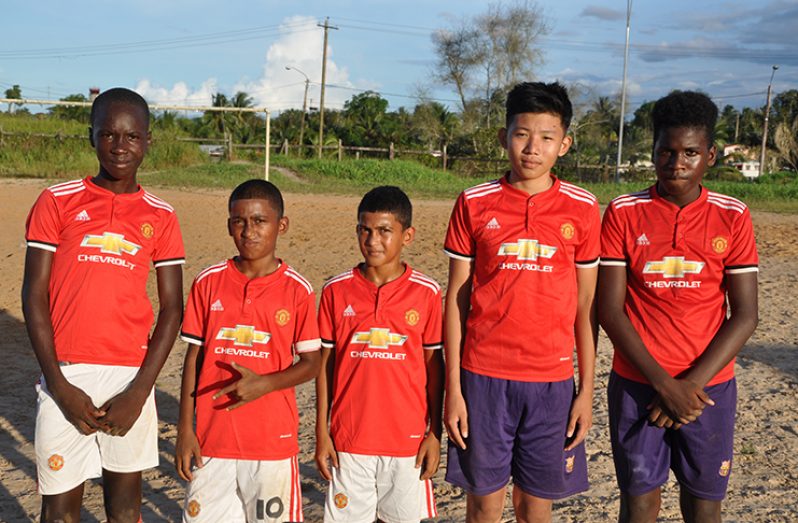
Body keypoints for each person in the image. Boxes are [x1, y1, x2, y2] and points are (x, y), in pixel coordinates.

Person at [22, 87, 185, 522]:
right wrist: (58, 384)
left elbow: (173, 309)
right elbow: (33, 295)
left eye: (131, 136)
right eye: (108, 134)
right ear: (91, 136)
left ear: (148, 140)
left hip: (130, 378)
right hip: (67, 373)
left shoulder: (161, 215)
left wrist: (139, 391)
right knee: (59, 511)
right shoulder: (56, 201)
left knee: (125, 508)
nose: (119, 146)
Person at [598, 91, 759, 523]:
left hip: (709, 390)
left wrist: (688, 387)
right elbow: (610, 310)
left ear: (709, 155)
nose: (677, 162)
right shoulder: (623, 212)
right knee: (639, 504)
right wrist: (664, 385)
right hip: (638, 385)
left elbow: (745, 314)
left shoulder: (733, 215)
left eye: (690, 152)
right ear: (651, 152)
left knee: (704, 506)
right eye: (665, 151)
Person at [443, 82, 600, 523]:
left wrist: (585, 391)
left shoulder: (583, 207)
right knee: (484, 507)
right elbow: (456, 299)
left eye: (547, 137)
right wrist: (454, 390)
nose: (533, 148)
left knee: (535, 508)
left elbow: (586, 306)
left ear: (564, 144)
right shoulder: (473, 203)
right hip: (482, 378)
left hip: (551, 384)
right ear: (503, 136)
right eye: (522, 134)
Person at [176, 179, 321, 523]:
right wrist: (185, 430)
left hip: (271, 444)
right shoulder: (208, 281)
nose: (249, 231)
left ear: (281, 225)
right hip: (211, 441)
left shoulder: (297, 290)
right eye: (239, 221)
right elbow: (193, 358)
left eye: (259, 221)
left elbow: (312, 363)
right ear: (229, 226)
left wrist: (266, 384)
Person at [315, 185, 444, 523]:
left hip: (407, 443)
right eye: (365, 230)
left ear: (408, 235)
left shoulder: (426, 293)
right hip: (349, 439)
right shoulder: (335, 290)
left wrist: (434, 434)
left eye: (385, 231)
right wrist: (322, 432)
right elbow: (325, 366)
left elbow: (434, 367)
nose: (373, 240)